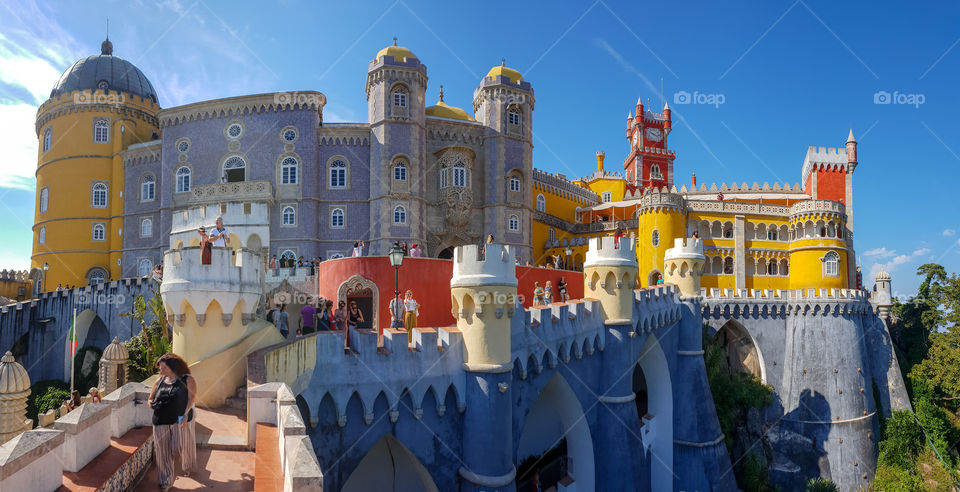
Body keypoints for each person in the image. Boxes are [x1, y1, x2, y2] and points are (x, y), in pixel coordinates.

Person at [148, 354, 189, 491]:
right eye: (160, 367)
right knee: (162, 453)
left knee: (176, 448)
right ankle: (165, 481)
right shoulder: (159, 381)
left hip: (177, 420)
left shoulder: (183, 381)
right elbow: (150, 399)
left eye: (164, 367)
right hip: (160, 420)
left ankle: (170, 473)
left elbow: (189, 400)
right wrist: (152, 404)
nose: (161, 370)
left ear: (172, 367)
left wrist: (185, 415)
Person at [164, 353, 198, 478]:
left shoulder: (188, 379)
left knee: (186, 442)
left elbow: (191, 398)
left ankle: (188, 467)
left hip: (184, 415)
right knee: (174, 443)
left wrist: (184, 414)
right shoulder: (167, 379)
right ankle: (175, 469)